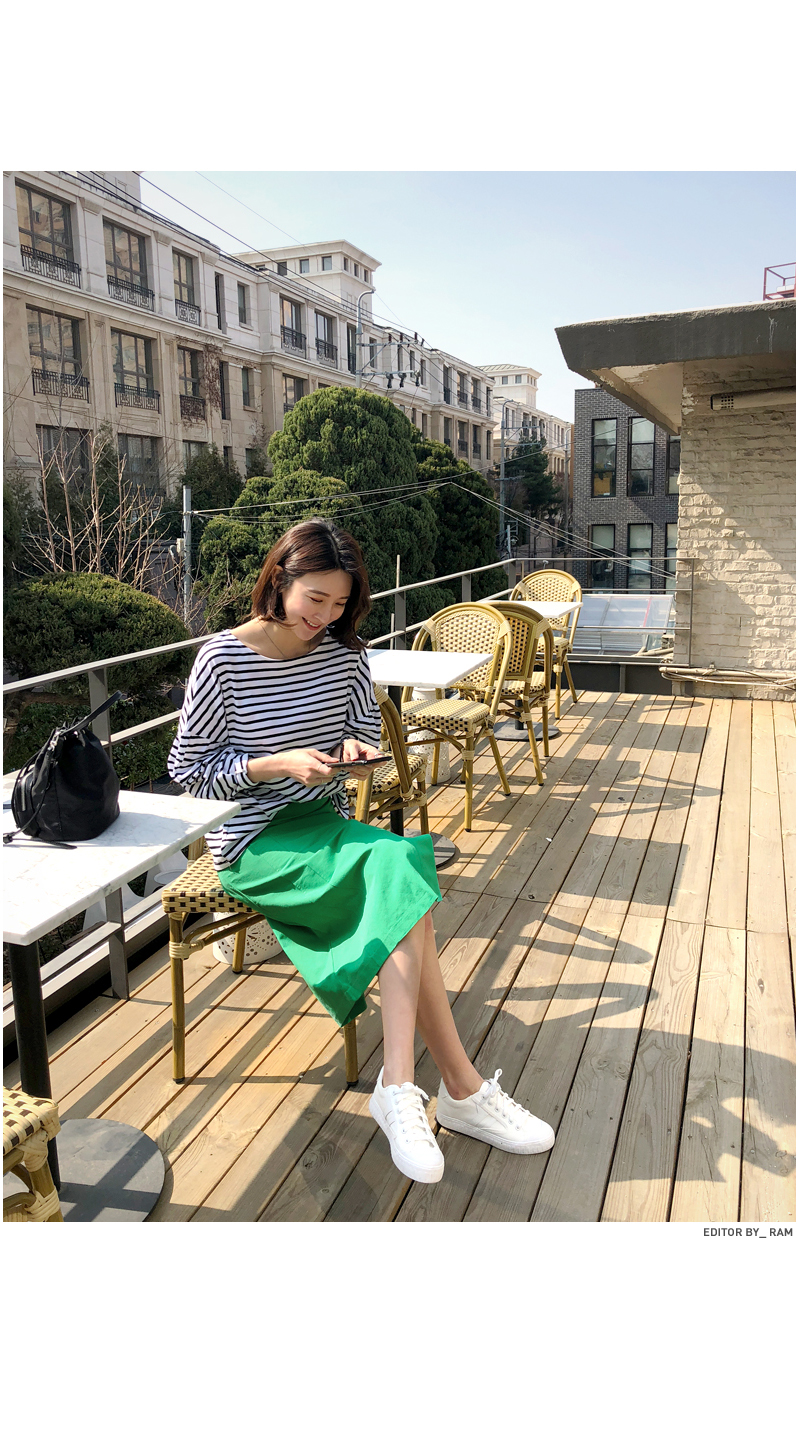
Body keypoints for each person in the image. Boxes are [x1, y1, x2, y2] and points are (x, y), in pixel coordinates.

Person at [168, 517, 555, 1186]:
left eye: (339, 603)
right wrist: (274, 764)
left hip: (326, 823)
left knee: (401, 869)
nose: (324, 616)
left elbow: (360, 736)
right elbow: (189, 771)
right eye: (314, 598)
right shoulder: (222, 659)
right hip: (255, 840)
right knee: (405, 875)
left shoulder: (346, 656)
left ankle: (410, 1087)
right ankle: (454, 1090)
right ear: (278, 580)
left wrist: (353, 753)